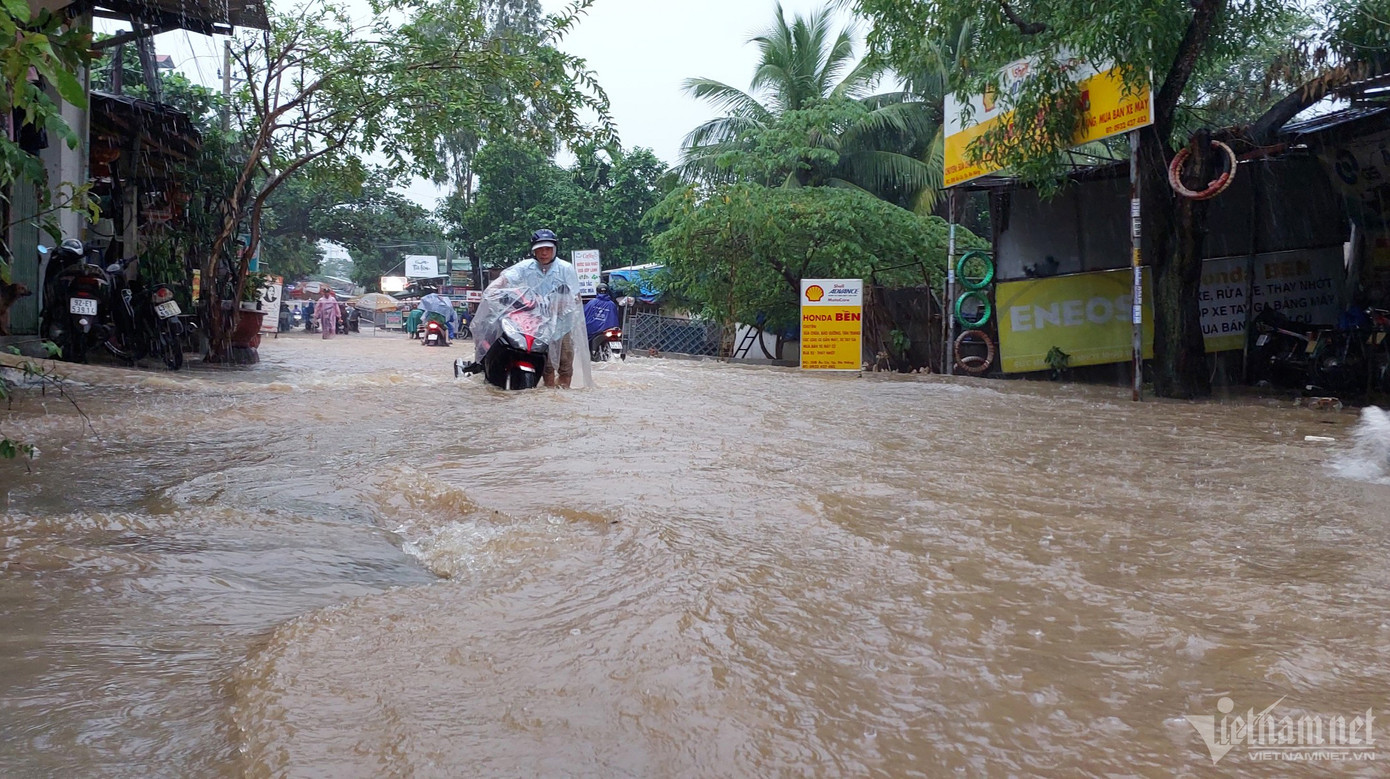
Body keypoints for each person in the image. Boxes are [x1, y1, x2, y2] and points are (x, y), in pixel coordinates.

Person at [479, 228, 590, 388]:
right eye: (540, 249)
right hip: (535, 325)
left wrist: (562, 304)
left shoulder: (565, 268)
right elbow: (505, 279)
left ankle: (562, 394)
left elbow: (576, 297)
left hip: (562, 324)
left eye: (548, 249)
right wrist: (492, 289)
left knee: (565, 366)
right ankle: (548, 392)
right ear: (534, 251)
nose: (544, 253)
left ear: (554, 250)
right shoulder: (525, 267)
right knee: (546, 366)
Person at [584, 282, 621, 356]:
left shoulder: (592, 303)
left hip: (595, 330)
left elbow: (585, 315)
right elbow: (615, 317)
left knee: (585, 338)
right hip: (610, 328)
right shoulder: (612, 304)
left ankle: (590, 353)